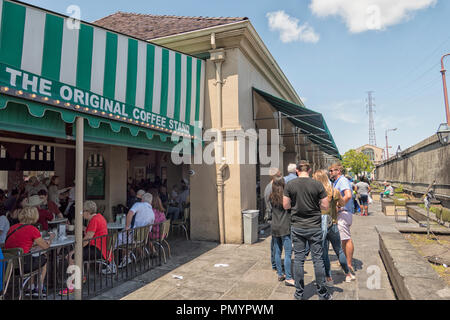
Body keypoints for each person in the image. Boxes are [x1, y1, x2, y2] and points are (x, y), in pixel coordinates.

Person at [283, 161, 332, 300]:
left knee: (298, 259)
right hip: (314, 226)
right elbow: (325, 206)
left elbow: (285, 205)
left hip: (297, 226)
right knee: (318, 260)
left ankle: (299, 293)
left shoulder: (290, 185)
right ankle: (322, 294)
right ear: (309, 170)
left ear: (297, 170)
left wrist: (296, 204)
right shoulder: (317, 184)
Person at [313, 170, 355, 284]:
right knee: (339, 250)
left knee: (324, 252)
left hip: (318, 225)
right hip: (332, 223)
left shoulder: (313, 192)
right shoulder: (334, 191)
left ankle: (328, 277)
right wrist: (335, 205)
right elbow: (342, 203)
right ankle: (348, 274)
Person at [5, 206, 55, 297]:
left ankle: (30, 287)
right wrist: (51, 239)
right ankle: (39, 287)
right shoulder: (32, 229)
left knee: (33, 257)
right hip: (25, 265)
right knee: (44, 257)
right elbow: (45, 246)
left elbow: (19, 244)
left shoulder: (11, 228)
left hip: (11, 266)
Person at [61, 201, 109, 295]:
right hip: (100, 248)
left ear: (87, 211)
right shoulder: (99, 217)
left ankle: (73, 286)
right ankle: (80, 277)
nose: (82, 214)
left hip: (97, 249)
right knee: (73, 255)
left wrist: (75, 250)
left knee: (71, 256)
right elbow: (90, 231)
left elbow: (87, 239)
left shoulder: (94, 220)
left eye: (83, 211)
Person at [329, 163, 355, 273]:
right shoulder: (337, 182)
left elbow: (348, 195)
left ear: (338, 171)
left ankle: (348, 264)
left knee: (346, 239)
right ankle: (344, 261)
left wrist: (338, 206)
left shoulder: (343, 180)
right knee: (343, 240)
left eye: (331, 170)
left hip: (343, 213)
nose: (330, 173)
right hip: (343, 213)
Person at [269, 177, 294, 286]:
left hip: (275, 226)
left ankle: (280, 273)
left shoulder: (271, 197)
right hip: (285, 227)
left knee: (277, 252)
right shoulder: (286, 197)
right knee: (288, 253)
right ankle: (288, 276)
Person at [264, 167, 283, 272]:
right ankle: (275, 264)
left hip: (272, 216)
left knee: (275, 242)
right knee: (276, 243)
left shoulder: (269, 186)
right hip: (274, 217)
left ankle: (275, 263)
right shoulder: (272, 187)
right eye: (280, 174)